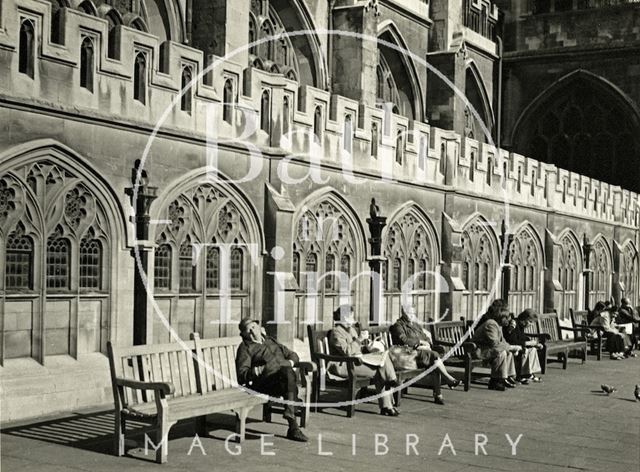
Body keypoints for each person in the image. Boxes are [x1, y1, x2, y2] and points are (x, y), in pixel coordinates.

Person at [235, 318, 308, 442]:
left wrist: (290, 362)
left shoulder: (270, 340)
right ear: (244, 335)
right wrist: (255, 371)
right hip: (264, 383)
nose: (252, 332)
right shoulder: (245, 348)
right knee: (289, 378)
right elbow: (242, 374)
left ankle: (293, 426)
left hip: (282, 381)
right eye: (248, 330)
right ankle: (292, 418)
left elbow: (293, 354)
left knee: (287, 373)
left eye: (253, 327)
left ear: (259, 326)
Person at [328, 305, 400, 416]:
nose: (353, 319)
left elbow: (358, 347)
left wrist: (368, 347)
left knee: (383, 357)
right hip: (342, 365)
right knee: (380, 371)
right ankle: (388, 399)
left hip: (356, 361)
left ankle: (388, 401)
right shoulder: (336, 332)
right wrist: (359, 339)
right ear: (344, 318)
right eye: (351, 317)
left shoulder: (351, 330)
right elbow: (347, 351)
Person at [389, 306, 462, 397]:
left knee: (435, 362)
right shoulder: (399, 325)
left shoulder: (415, 325)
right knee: (435, 357)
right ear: (403, 313)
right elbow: (403, 340)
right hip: (408, 355)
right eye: (409, 313)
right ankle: (446, 382)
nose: (412, 315)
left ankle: (441, 390)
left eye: (413, 313)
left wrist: (426, 344)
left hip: (421, 353)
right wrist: (419, 342)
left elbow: (425, 337)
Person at [472, 306, 521, 391]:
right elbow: (494, 343)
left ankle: (507, 377)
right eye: (507, 318)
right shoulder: (491, 324)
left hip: (486, 349)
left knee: (507, 352)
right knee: (500, 352)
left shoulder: (498, 325)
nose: (509, 320)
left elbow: (503, 342)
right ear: (502, 318)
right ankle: (495, 381)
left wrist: (510, 348)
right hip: (478, 350)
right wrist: (512, 347)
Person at [504, 309, 543, 384]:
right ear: (525, 319)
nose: (531, 324)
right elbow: (513, 341)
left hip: (517, 346)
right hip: (511, 346)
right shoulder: (514, 324)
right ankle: (522, 375)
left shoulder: (521, 326)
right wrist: (528, 343)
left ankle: (528, 373)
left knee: (533, 349)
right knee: (527, 350)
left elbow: (522, 337)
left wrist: (534, 344)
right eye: (530, 322)